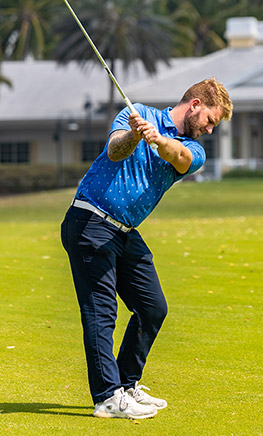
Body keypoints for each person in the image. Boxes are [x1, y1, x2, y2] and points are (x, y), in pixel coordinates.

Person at [61, 77, 233, 420]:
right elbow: (114, 150)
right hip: (91, 221)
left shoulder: (193, 147)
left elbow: (180, 158)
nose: (210, 130)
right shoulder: (136, 113)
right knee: (101, 311)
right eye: (210, 121)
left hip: (124, 231)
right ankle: (108, 398)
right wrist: (136, 134)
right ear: (196, 105)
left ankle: (126, 385)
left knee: (152, 308)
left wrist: (158, 139)